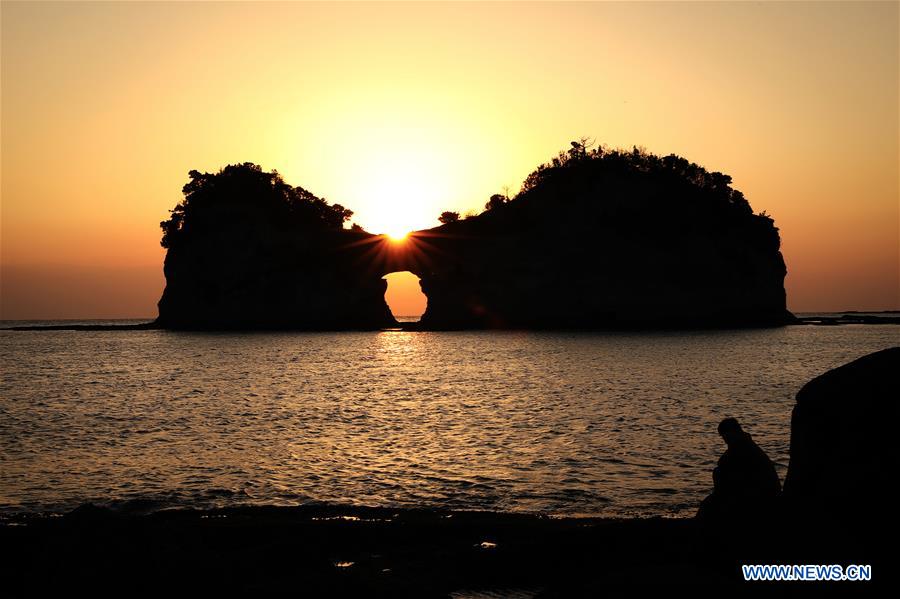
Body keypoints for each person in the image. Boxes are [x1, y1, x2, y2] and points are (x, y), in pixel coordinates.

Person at [697, 418, 781, 523]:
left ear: (731, 433)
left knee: (708, 506)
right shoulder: (745, 445)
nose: (724, 440)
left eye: (724, 436)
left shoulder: (742, 448)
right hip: (759, 494)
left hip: (759, 498)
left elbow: (733, 474)